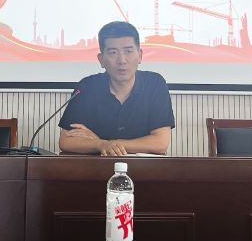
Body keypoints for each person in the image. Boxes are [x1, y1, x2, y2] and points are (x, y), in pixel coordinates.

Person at [58, 21, 174, 156]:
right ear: (101, 59)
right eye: (113, 52)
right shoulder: (87, 87)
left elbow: (160, 144)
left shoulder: (154, 84)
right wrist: (100, 144)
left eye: (128, 51)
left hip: (143, 168)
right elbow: (66, 141)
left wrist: (105, 143)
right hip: (96, 168)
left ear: (140, 55)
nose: (122, 60)